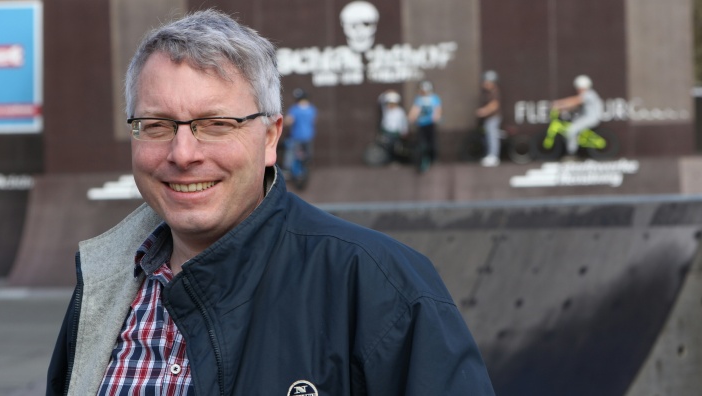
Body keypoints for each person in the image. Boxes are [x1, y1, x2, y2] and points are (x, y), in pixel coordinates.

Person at [46, 9, 495, 396]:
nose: (183, 154)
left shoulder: (382, 288)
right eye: (157, 124)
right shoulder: (103, 284)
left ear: (272, 137)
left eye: (217, 123)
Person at [551, 74, 604, 157]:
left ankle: (572, 154)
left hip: (591, 119)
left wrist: (558, 104)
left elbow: (574, 101)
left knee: (571, 130)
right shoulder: (586, 95)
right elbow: (574, 106)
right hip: (586, 118)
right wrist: (562, 109)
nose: (578, 90)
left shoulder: (589, 94)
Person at [283, 88, 317, 188]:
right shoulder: (312, 109)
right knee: (307, 157)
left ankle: (288, 170)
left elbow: (289, 121)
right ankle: (308, 166)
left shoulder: (295, 109)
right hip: (308, 137)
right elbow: (313, 121)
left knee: (291, 153)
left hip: (297, 137)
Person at [408, 80, 442, 172]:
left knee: (432, 143)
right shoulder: (419, 99)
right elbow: (415, 110)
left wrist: (436, 117)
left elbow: (437, 110)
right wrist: (411, 118)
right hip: (421, 124)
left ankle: (432, 159)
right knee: (422, 144)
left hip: (430, 124)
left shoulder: (434, 98)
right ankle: (422, 161)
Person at [476, 70, 502, 167]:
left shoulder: (494, 91)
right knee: (488, 137)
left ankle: (494, 156)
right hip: (488, 119)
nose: (484, 83)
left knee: (493, 137)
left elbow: (494, 105)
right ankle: (490, 155)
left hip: (493, 118)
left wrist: (484, 111)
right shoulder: (487, 92)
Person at [378, 90, 409, 163]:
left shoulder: (400, 111)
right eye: (389, 103)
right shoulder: (386, 110)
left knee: (395, 148)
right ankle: (387, 161)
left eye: (392, 103)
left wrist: (404, 131)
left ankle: (395, 160)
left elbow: (403, 122)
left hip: (396, 133)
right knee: (386, 147)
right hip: (386, 132)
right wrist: (387, 93)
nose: (390, 105)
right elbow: (380, 100)